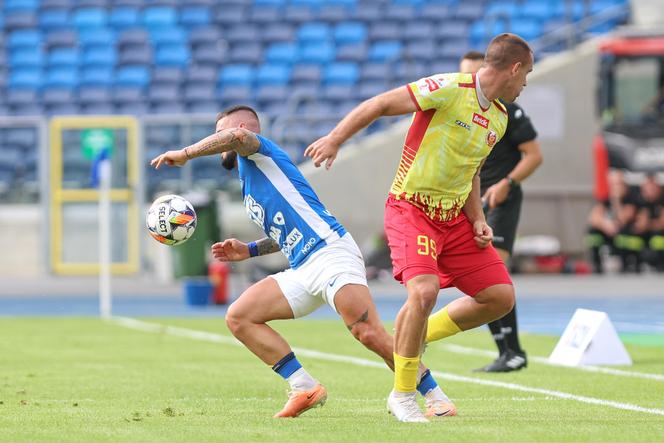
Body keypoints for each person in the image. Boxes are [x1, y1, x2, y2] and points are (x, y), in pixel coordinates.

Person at [150, 105, 455, 419]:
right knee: (239, 317)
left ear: (241, 128)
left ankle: (436, 397)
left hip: (330, 253)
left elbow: (237, 136)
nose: (218, 143)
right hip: (303, 267)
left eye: (220, 134)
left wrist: (186, 153)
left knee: (368, 332)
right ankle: (303, 386)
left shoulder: (260, 152)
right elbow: (287, 231)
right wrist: (250, 250)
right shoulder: (248, 178)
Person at [306, 33, 533, 422]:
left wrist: (477, 219)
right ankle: (404, 394)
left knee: (499, 297)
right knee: (424, 291)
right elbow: (379, 104)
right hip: (412, 209)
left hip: (455, 218)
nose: (526, 82)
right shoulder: (447, 88)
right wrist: (335, 138)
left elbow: (472, 172)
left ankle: (416, 332)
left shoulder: (498, 116)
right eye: (526, 73)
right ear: (513, 68)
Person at [458, 50, 543, 373]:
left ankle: (514, 350)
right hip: (472, 201)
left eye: (472, 73)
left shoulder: (509, 112)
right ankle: (507, 351)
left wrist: (508, 182)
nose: (468, 80)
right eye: (463, 74)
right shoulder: (459, 108)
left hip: (501, 200)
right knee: (483, 277)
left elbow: (534, 156)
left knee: (494, 271)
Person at [586, 170, 641, 273]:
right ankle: (596, 264)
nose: (616, 187)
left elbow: (623, 219)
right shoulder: (605, 198)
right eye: (614, 184)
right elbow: (593, 218)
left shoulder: (631, 197)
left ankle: (626, 264)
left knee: (624, 234)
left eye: (619, 184)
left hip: (624, 232)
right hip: (610, 231)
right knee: (593, 232)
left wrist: (616, 200)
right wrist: (605, 225)